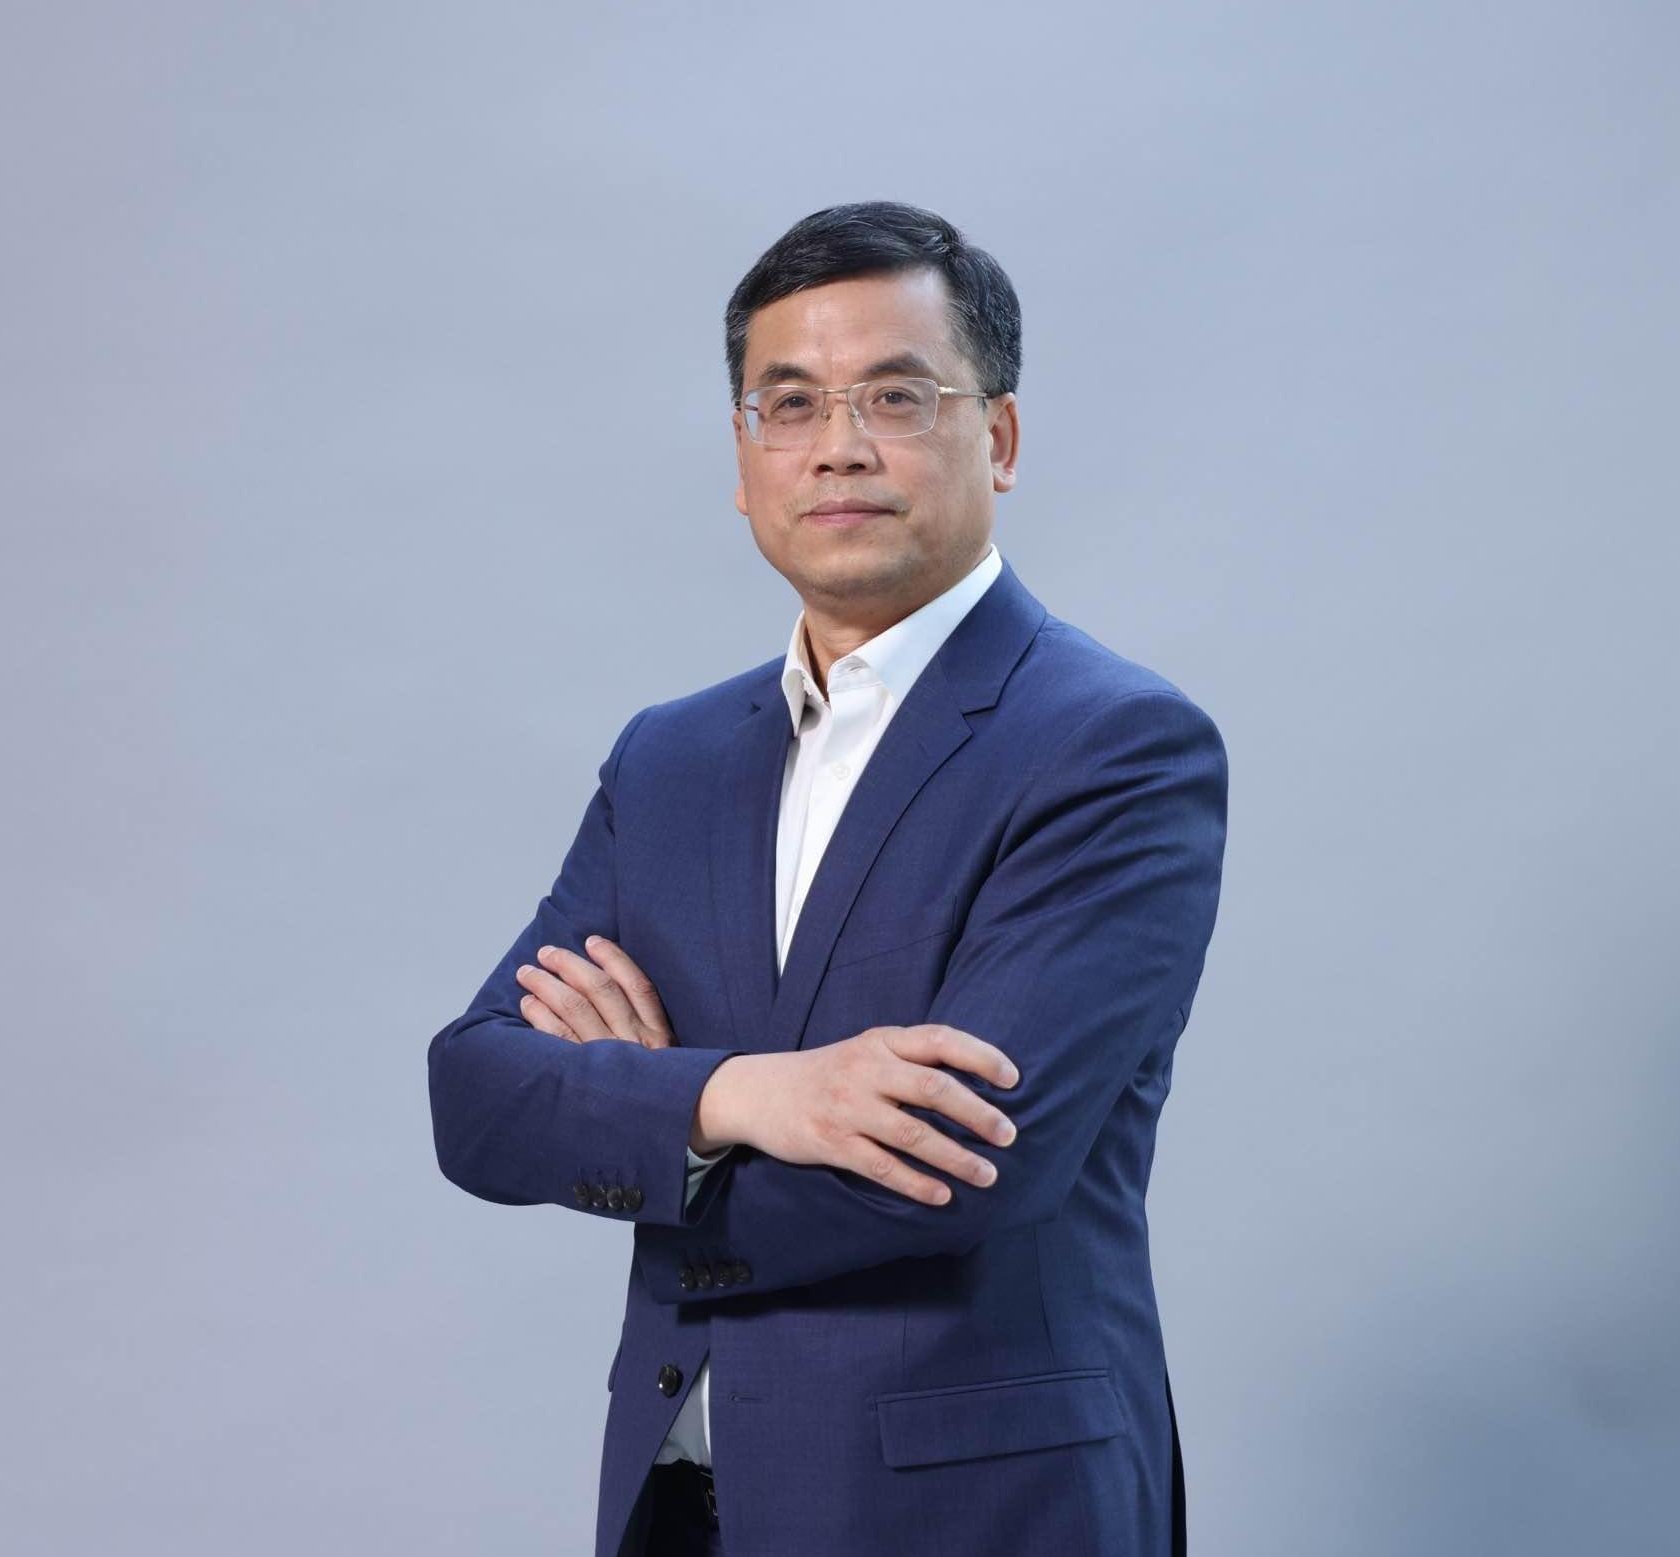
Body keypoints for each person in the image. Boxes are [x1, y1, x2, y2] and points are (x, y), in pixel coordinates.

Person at [427, 200, 1228, 1557]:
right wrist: (748, 1097)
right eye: (789, 404)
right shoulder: (671, 758)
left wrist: (639, 1128)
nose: (837, 445)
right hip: (678, 1505)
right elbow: (479, 1099)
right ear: (745, 462)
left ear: (1000, 438)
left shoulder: (1112, 744)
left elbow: (959, 1169)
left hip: (974, 1510)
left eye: (896, 397)